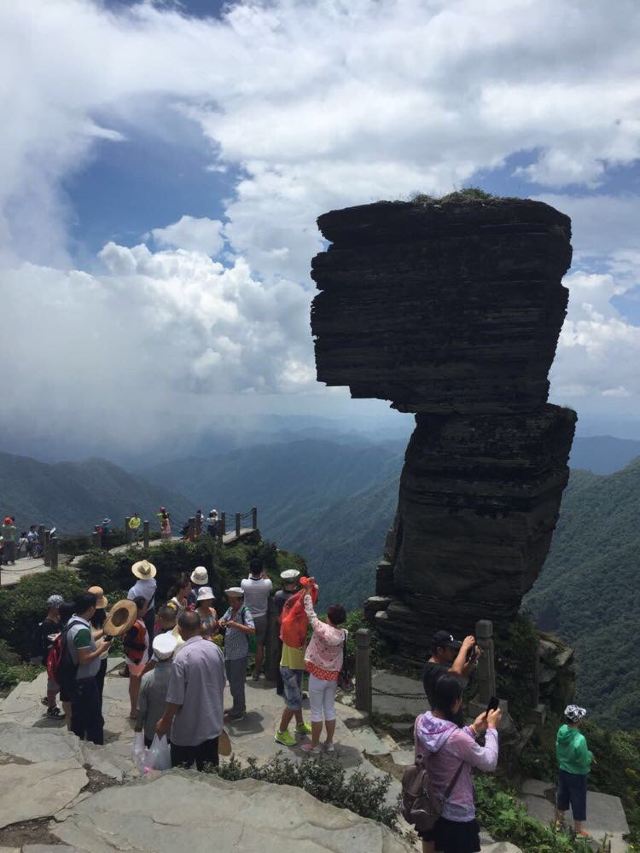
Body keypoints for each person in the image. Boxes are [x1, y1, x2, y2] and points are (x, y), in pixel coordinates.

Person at [415, 674, 500, 853]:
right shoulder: (456, 738)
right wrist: (491, 729)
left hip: (429, 802)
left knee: (431, 843)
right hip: (456, 812)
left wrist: (473, 729)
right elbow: (489, 761)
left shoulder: (421, 722)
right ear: (455, 702)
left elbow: (448, 742)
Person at [156, 611, 226, 770]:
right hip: (212, 726)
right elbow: (221, 683)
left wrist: (164, 722)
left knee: (182, 777)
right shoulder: (215, 649)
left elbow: (175, 699)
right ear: (200, 626)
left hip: (188, 731)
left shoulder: (181, 658)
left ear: (179, 630)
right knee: (210, 775)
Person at [300, 584, 347, 754]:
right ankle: (329, 742)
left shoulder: (320, 629)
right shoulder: (344, 634)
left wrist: (307, 593)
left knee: (316, 711)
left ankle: (314, 745)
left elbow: (310, 613)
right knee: (329, 709)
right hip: (332, 677)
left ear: (328, 617)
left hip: (317, 675)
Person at [66, 592, 111, 744]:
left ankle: (77, 743)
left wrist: (105, 631)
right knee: (94, 720)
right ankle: (96, 752)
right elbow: (84, 659)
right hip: (84, 681)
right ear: (91, 609)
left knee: (79, 717)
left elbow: (88, 639)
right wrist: (101, 649)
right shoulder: (82, 630)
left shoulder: (73, 622)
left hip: (75, 679)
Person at [555, 704, 593, 838]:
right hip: (577, 775)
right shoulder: (580, 739)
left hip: (563, 770)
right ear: (578, 721)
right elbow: (583, 760)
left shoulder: (562, 731)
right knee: (578, 799)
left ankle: (558, 822)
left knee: (562, 795)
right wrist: (590, 756)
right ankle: (578, 830)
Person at [219, 587, 255, 720]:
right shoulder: (230, 610)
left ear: (240, 600)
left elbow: (251, 629)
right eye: (230, 601)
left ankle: (239, 710)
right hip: (229, 652)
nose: (231, 603)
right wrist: (221, 622)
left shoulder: (245, 612)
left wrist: (235, 625)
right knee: (232, 680)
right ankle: (237, 705)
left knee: (237, 682)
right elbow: (221, 619)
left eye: (234, 601)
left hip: (239, 653)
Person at [136, 632, 177, 747]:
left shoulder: (147, 678)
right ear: (173, 652)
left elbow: (142, 708)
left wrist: (139, 725)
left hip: (151, 730)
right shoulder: (180, 675)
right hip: (175, 731)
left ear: (154, 653)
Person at [423, 631, 478, 707]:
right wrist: (464, 647)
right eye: (450, 649)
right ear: (440, 650)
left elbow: (460, 674)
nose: (454, 652)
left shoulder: (442, 663)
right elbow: (456, 671)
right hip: (442, 715)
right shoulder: (432, 669)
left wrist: (472, 660)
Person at [241, 558, 272, 680]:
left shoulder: (245, 583)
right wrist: (264, 574)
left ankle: (243, 671)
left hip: (247, 617)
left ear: (250, 569)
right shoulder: (267, 584)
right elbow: (268, 580)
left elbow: (246, 583)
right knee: (259, 645)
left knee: (244, 644)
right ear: (262, 570)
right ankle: (256, 672)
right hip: (261, 617)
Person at [274, 569, 301, 696]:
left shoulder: (278, 595)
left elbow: (276, 615)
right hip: (294, 633)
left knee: (281, 659)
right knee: (294, 662)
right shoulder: (298, 597)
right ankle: (294, 690)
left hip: (281, 632)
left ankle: (280, 688)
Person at [123, 596, 150, 719]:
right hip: (136, 659)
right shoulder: (134, 624)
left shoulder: (136, 620)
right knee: (136, 684)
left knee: (135, 683)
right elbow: (127, 642)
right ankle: (134, 710)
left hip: (136, 659)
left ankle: (135, 708)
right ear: (138, 609)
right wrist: (142, 647)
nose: (147, 609)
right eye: (145, 607)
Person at [38, 594, 65, 718]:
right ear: (52, 607)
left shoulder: (58, 619)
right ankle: (51, 707)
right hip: (51, 658)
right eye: (58, 606)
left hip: (58, 656)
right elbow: (50, 642)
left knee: (58, 681)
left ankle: (50, 698)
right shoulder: (47, 624)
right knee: (53, 681)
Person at [88, 586, 109, 703]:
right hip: (103, 656)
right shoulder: (106, 616)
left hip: (88, 657)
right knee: (98, 687)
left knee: (88, 688)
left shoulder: (85, 618)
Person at [128, 559, 157, 643]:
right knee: (150, 635)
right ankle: (149, 653)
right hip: (150, 612)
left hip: (138, 616)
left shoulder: (134, 590)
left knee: (138, 637)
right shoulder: (154, 583)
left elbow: (130, 606)